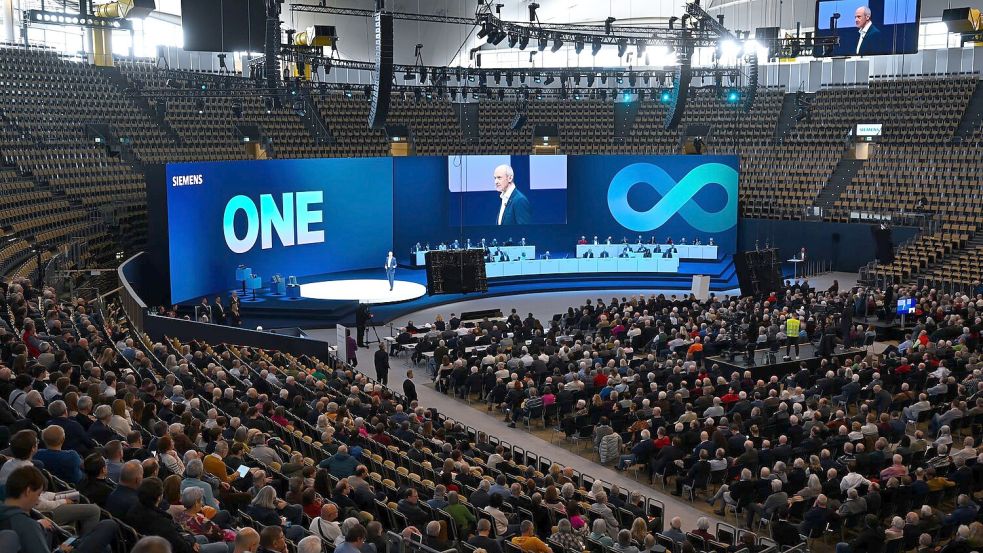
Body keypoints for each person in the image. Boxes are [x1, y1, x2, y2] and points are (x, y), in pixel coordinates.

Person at [0, 465, 119, 553]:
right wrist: (59, 551)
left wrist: (39, 525)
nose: (37, 501)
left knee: (102, 547)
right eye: (38, 495)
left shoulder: (9, 515)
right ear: (28, 491)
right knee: (109, 525)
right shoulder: (27, 526)